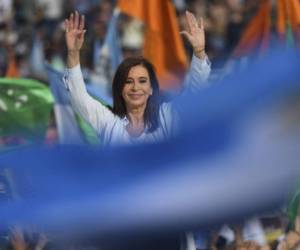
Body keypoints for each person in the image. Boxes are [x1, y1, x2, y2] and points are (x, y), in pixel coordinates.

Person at [63, 10, 211, 146]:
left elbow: (195, 92)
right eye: (128, 81)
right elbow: (79, 98)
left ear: (151, 88)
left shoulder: (166, 116)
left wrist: (199, 52)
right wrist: (73, 53)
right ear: (120, 89)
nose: (135, 87)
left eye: (142, 81)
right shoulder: (108, 121)